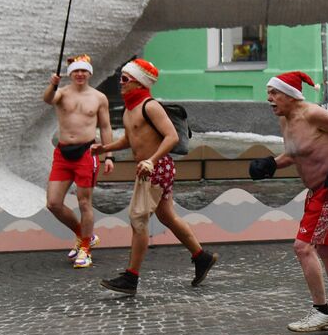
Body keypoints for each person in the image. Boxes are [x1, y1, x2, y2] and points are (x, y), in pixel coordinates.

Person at [250, 70, 328, 333]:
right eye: (268, 93)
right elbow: (296, 154)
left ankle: (322, 312)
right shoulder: (286, 119)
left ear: (290, 95)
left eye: (274, 93)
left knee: (303, 247)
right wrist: (270, 165)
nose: (269, 98)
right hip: (317, 191)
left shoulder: (312, 113)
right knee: (326, 249)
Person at [95, 59, 217, 295]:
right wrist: (104, 148)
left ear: (139, 82)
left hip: (157, 168)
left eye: (125, 79)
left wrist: (151, 160)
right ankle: (202, 256)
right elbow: (130, 140)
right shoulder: (130, 109)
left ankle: (131, 278)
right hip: (148, 169)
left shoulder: (150, 106)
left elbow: (171, 137)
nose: (120, 83)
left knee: (138, 220)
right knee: (166, 215)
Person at [42, 55, 115, 269]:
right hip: (63, 153)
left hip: (87, 152)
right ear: (71, 74)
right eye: (76, 71)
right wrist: (52, 84)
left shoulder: (99, 97)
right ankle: (84, 235)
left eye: (84, 71)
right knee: (53, 203)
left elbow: (106, 127)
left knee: (85, 203)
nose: (80, 74)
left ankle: (85, 248)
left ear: (89, 73)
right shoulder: (61, 93)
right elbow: (47, 99)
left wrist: (109, 155)